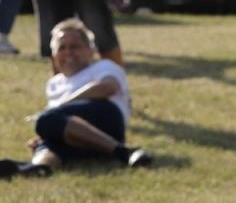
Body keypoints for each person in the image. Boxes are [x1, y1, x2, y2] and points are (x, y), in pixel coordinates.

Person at [0, 19, 151, 179]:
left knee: (46, 119)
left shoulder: (104, 66)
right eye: (62, 48)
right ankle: (39, 167)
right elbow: (60, 120)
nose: (68, 52)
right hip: (82, 140)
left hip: (106, 118)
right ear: (53, 55)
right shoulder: (54, 84)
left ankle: (123, 152)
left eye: (74, 46)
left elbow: (107, 87)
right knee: (48, 140)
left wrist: (60, 107)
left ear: (90, 50)